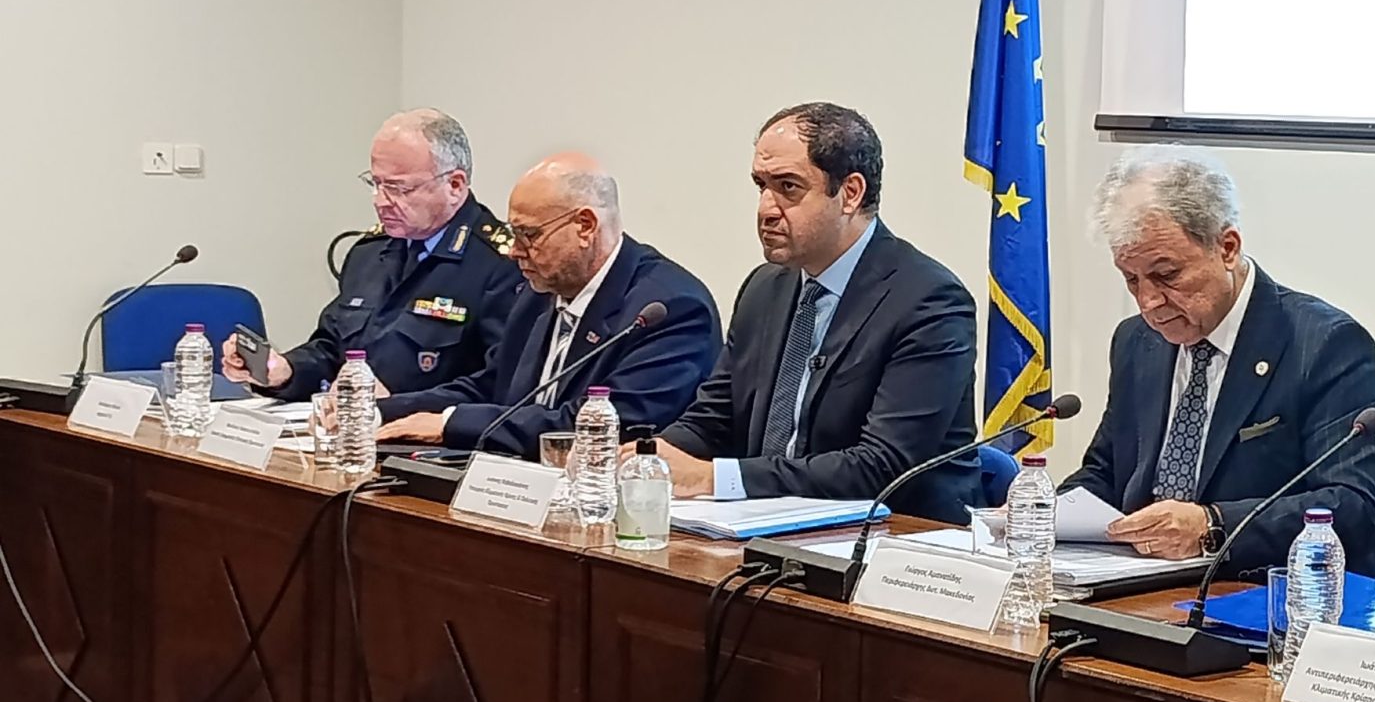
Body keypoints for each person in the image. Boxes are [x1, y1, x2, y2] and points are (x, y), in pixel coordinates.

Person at [1061, 146, 1375, 574]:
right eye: (1131, 279)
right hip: (1140, 587)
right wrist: (1045, 511)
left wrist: (1212, 525)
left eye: (1166, 275)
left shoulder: (1325, 344)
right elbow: (1107, 473)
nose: (1148, 301)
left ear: (1227, 248)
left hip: (1262, 592)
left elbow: (1352, 508)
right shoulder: (1137, 341)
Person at [655, 103, 978, 521]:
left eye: (788, 187)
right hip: (765, 527)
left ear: (850, 193)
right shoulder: (764, 288)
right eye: (761, 185)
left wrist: (714, 478)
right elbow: (713, 419)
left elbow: (882, 465)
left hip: (894, 537)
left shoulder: (929, 300)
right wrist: (648, 459)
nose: (766, 209)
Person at [375, 154, 720, 459]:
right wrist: (380, 412)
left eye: (529, 235)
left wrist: (451, 423)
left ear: (585, 226)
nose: (514, 250)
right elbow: (493, 385)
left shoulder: (668, 309)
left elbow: (604, 427)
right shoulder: (540, 290)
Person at [224, 108, 524, 400]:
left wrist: (393, 407)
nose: (380, 201)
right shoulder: (369, 253)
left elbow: (499, 386)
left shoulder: (503, 263)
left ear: (454, 185)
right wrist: (284, 371)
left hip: (430, 432)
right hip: (351, 425)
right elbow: (331, 351)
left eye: (398, 188)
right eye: (376, 183)